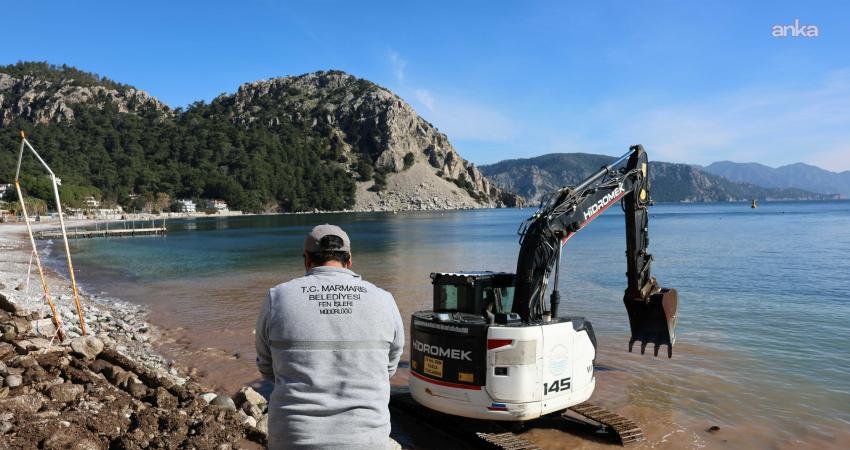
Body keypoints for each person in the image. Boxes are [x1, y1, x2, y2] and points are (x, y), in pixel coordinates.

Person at [255, 224, 405, 450]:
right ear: (350, 260)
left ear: (307, 259)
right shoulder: (384, 299)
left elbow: (267, 367)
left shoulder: (278, 297)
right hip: (366, 440)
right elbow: (389, 367)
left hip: (294, 438)